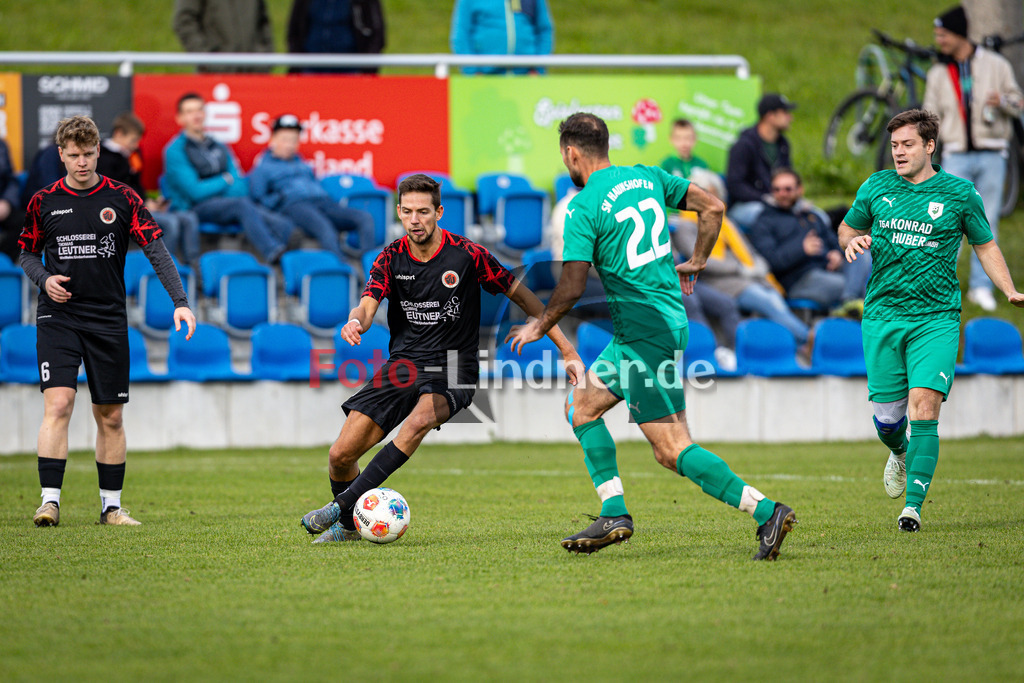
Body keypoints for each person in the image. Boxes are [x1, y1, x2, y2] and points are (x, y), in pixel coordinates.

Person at [508, 112, 797, 560]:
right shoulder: (648, 177)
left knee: (671, 448)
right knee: (581, 407)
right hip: (654, 326)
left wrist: (538, 323)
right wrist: (698, 259)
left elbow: (572, 286)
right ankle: (614, 512)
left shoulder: (583, 206)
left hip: (645, 333)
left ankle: (767, 511)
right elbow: (713, 208)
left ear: (571, 153)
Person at [299, 174, 581, 543]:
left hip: (454, 365)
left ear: (439, 212)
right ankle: (351, 527)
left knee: (418, 421)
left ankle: (341, 509)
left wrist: (567, 350)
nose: (415, 220)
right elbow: (367, 305)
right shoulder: (390, 257)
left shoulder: (468, 255)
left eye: (423, 212)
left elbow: (525, 297)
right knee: (340, 455)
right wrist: (355, 322)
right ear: (399, 212)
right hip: (404, 364)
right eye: (407, 212)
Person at [839, 108, 1024, 532]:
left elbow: (985, 245)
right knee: (888, 421)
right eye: (894, 145)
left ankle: (913, 508)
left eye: (907, 144)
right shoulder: (877, 186)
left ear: (929, 146)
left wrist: (1008, 289)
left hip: (936, 317)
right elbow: (847, 228)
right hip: (883, 315)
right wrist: (852, 240)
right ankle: (899, 451)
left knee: (925, 406)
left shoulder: (960, 194)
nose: (899, 152)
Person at [18, 115, 197, 528]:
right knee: (58, 404)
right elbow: (26, 252)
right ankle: (49, 503)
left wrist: (180, 302)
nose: (81, 162)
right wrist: (44, 279)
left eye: (88, 154)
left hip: (108, 318)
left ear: (98, 151)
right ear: (61, 155)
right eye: (73, 155)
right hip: (59, 317)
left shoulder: (123, 198)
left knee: (111, 416)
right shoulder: (43, 201)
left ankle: (111, 508)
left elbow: (156, 250)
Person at [923, 5, 1024, 312]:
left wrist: (1002, 100)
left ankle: (981, 287)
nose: (939, 41)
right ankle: (940, 284)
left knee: (986, 221)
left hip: (992, 154)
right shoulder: (939, 72)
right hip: (955, 156)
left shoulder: (995, 64)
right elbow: (928, 117)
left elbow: (1017, 102)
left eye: (943, 34)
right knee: (945, 221)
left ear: (958, 34)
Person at [675, 168, 810, 348]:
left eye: (713, 195)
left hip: (747, 278)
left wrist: (758, 265)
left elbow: (749, 251)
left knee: (774, 297)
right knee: (767, 301)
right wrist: (739, 268)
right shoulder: (687, 226)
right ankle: (809, 338)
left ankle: (789, 346)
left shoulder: (726, 223)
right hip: (718, 282)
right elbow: (700, 261)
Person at [163, 93, 296, 265]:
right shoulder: (175, 150)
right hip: (194, 208)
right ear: (180, 118)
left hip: (228, 204)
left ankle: (280, 271)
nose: (196, 115)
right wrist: (225, 180)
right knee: (241, 205)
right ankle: (273, 253)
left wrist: (221, 185)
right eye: (189, 112)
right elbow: (195, 192)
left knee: (282, 223)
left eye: (199, 110)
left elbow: (240, 185)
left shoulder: (219, 146)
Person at [248, 114, 376, 259]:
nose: (290, 145)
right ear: (273, 140)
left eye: (294, 140)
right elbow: (258, 201)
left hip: (323, 202)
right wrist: (280, 198)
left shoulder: (303, 165)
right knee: (325, 228)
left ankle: (371, 267)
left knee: (364, 218)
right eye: (285, 139)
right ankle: (342, 268)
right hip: (295, 206)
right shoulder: (263, 169)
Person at [750, 168, 869, 316]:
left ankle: (850, 303)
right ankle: (851, 305)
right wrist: (801, 249)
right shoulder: (764, 221)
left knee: (862, 255)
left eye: (787, 189)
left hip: (827, 268)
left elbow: (834, 240)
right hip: (797, 279)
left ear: (800, 189)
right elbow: (770, 261)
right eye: (777, 189)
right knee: (852, 285)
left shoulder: (810, 215)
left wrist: (837, 254)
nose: (782, 194)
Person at [97, 112, 200, 267]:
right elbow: (109, 193)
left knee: (187, 218)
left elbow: (136, 185)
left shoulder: (133, 154)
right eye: (133, 140)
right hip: (120, 213)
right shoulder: (101, 157)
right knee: (170, 223)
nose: (136, 145)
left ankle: (190, 269)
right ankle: (161, 271)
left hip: (140, 206)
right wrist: (142, 205)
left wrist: (150, 201)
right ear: (118, 133)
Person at [725, 93, 796, 231]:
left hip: (779, 202)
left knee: (817, 216)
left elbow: (788, 176)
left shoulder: (783, 144)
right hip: (746, 206)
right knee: (775, 218)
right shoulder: (743, 145)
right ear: (770, 116)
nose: (790, 117)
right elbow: (735, 185)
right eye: (785, 112)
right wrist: (765, 198)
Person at [450, 0, 554, 75]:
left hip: (527, 77)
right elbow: (461, 35)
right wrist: (472, 71)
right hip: (485, 78)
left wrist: (538, 68)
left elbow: (544, 30)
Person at [173, 0, 274, 73]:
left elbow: (262, 20)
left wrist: (264, 58)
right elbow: (184, 22)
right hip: (214, 79)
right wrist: (208, 61)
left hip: (254, 77)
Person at [287, 0, 386, 74]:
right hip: (310, 69)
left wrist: (367, 69)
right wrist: (297, 65)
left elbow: (376, 32)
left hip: (351, 71)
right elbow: (294, 29)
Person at [0, 137, 26, 262]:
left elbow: (11, 179)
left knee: (25, 222)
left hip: (2, 204)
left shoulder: (1, 145)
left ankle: (4, 261)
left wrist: (7, 202)